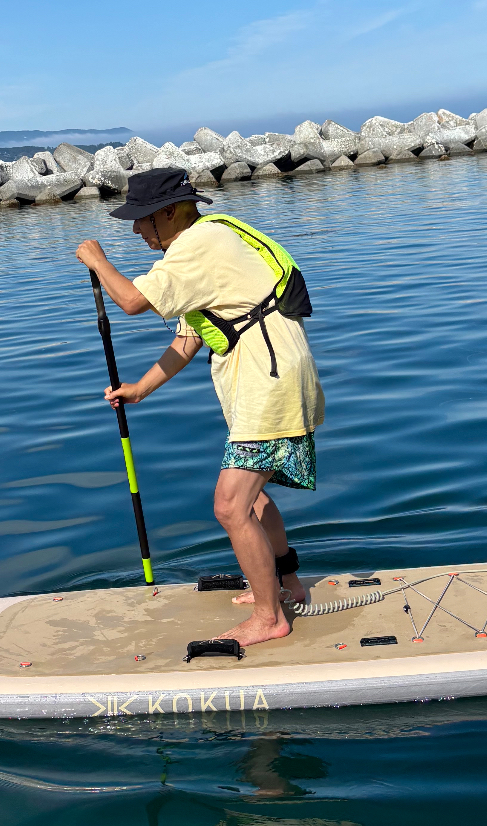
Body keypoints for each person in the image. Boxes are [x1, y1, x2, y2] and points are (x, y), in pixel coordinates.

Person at [75, 167, 325, 647]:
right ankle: (284, 584)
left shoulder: (197, 245)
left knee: (230, 506)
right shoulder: (213, 240)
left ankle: (271, 617)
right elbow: (191, 338)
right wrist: (140, 388)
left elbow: (129, 300)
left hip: (267, 382)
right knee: (253, 498)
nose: (136, 230)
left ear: (170, 212)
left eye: (142, 218)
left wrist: (97, 260)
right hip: (272, 377)